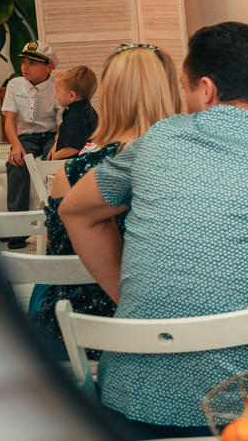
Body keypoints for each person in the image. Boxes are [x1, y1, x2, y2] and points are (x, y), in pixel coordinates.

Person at [60, 22, 248, 437]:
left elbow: (76, 211)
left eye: (186, 88)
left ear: (206, 88)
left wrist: (128, 299)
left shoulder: (159, 140)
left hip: (128, 404)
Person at [30, 45, 182, 352]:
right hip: (170, 324)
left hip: (82, 328)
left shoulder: (72, 172)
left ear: (110, 95)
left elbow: (61, 260)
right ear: (170, 91)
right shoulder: (183, 163)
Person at [2, 41, 62, 249]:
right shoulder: (15, 84)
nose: (25, 67)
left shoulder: (57, 87)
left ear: (49, 67)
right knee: (16, 164)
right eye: (24, 62)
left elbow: (61, 123)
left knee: (54, 165)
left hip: (50, 136)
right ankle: (17, 231)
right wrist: (16, 146)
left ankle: (55, 228)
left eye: (32, 63)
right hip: (26, 137)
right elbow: (9, 121)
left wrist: (57, 146)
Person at [47, 65, 99, 161]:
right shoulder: (88, 110)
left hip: (73, 163)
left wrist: (55, 156)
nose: (55, 93)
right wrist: (56, 145)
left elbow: (74, 147)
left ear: (72, 95)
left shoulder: (76, 117)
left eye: (58, 90)